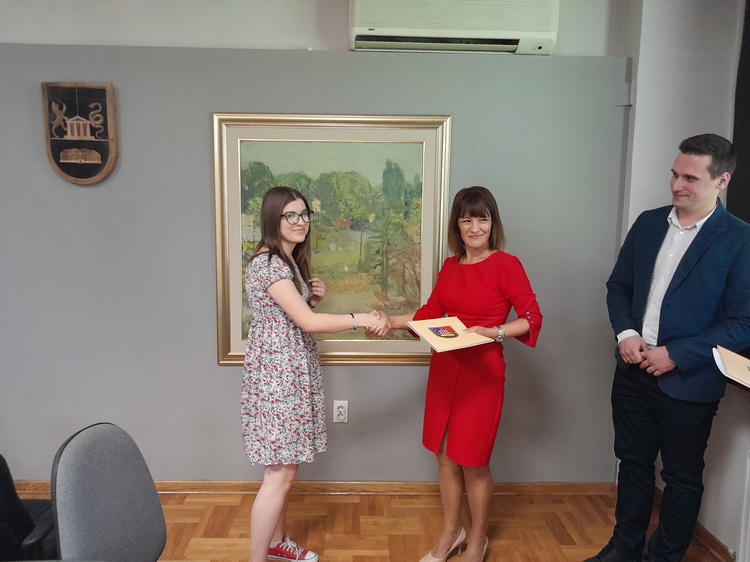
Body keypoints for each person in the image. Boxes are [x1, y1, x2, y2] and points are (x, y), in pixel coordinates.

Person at [587, 134, 750, 562]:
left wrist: (676, 354)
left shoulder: (740, 239)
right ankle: (624, 549)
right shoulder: (647, 223)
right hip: (632, 372)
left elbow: (743, 325)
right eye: (674, 174)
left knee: (681, 478)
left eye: (690, 178)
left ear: (722, 180)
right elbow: (619, 286)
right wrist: (626, 334)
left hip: (691, 383)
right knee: (632, 464)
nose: (677, 184)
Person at [386, 186, 542, 562]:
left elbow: (532, 318)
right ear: (457, 224)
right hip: (445, 370)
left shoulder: (506, 265)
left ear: (493, 223)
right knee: (444, 456)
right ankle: (451, 533)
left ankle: (477, 538)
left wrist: (495, 332)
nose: (475, 227)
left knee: (473, 461)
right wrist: (390, 322)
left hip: (482, 375)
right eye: (467, 219)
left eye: (482, 219)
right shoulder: (450, 266)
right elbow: (429, 314)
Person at [242, 186, 388, 562]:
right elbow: (307, 323)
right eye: (290, 215)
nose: (300, 221)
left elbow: (289, 316)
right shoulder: (270, 264)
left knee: (283, 470)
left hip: (287, 372)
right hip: (279, 378)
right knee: (280, 474)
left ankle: (276, 543)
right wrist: (360, 318)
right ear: (273, 219)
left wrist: (309, 298)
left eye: (304, 214)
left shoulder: (285, 262)